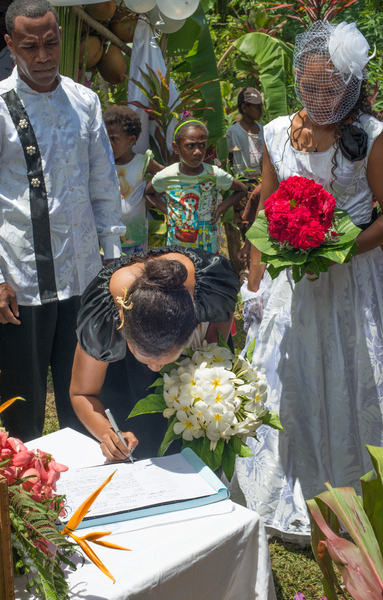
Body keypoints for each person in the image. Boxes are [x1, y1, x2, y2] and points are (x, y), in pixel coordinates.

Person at [232, 20, 383, 541]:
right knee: (284, 379)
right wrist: (253, 288)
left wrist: (339, 249)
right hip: (289, 287)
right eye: (310, 86)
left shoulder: (372, 138)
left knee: (349, 373)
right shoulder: (276, 132)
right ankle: (285, 485)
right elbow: (264, 215)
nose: (319, 97)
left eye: (331, 87)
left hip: (352, 282)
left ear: (351, 86)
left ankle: (353, 486)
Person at [0, 0, 125, 442]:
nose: (43, 56)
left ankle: (85, 499)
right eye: (30, 47)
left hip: (84, 277)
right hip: (19, 283)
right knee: (21, 411)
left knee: (82, 400)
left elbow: (103, 185)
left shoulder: (84, 101)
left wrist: (114, 262)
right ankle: (27, 500)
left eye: (51, 44)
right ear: (10, 45)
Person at [70, 247, 240, 461]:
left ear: (194, 322)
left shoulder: (212, 287)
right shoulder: (106, 310)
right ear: (121, 321)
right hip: (125, 383)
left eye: (166, 360)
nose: (156, 368)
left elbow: (216, 350)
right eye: (146, 360)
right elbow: (81, 393)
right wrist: (107, 432)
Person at [145, 119, 247, 254]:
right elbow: (148, 192)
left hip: (208, 249)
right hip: (177, 250)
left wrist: (220, 209)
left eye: (202, 145)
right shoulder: (167, 175)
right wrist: (167, 211)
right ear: (176, 147)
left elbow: (242, 189)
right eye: (190, 146)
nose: (198, 151)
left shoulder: (213, 174)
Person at [103, 105, 163, 254]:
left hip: (136, 236)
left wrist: (151, 200)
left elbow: (167, 176)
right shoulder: (101, 164)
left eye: (113, 139)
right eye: (104, 138)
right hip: (106, 237)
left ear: (131, 140)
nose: (107, 144)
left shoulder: (142, 162)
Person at [226, 87, 264, 181]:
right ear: (244, 108)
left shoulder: (264, 130)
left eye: (260, 106)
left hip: (261, 182)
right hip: (243, 182)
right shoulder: (233, 132)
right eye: (256, 107)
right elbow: (228, 158)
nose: (260, 110)